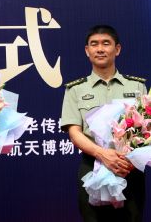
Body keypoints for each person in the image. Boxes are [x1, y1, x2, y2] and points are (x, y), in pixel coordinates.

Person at [61, 25, 147, 222]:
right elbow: (74, 132)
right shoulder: (75, 89)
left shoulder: (137, 86)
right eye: (94, 44)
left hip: (129, 168)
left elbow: (146, 130)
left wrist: (129, 159)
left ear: (117, 49)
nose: (100, 49)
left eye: (106, 43)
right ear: (87, 51)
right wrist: (103, 154)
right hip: (92, 166)